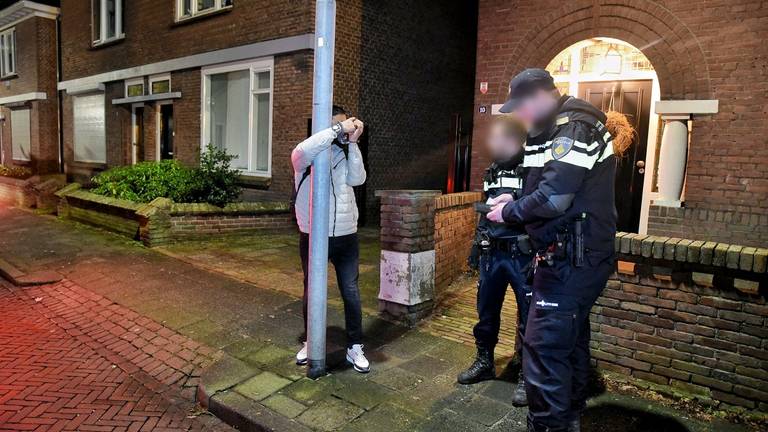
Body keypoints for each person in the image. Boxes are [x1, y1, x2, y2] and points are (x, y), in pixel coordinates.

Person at [487, 69, 617, 432]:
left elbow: (555, 199)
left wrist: (508, 212)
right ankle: (568, 418)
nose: (520, 115)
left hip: (570, 261)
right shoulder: (550, 129)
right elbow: (543, 187)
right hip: (570, 257)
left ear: (541, 96)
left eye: (522, 106)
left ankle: (548, 425)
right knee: (568, 345)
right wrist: (513, 197)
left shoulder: (573, 129)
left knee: (543, 352)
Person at [457, 115, 533, 408]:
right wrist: (477, 246)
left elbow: (538, 206)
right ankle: (484, 361)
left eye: (498, 137)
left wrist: (515, 200)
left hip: (521, 253)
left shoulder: (532, 168)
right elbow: (486, 213)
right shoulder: (492, 169)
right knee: (486, 311)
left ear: (514, 139)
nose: (492, 143)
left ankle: (527, 375)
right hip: (493, 253)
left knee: (528, 317)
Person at [290, 105, 370, 373]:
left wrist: (354, 143)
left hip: (346, 234)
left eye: (345, 125)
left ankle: (355, 345)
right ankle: (310, 341)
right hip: (314, 235)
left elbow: (358, 179)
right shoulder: (309, 154)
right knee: (311, 289)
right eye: (338, 125)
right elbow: (298, 154)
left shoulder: (346, 151)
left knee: (351, 290)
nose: (343, 130)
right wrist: (336, 129)